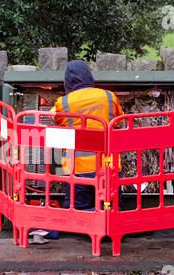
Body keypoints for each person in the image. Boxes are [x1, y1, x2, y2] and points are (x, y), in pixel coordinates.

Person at [43, 60, 124, 239]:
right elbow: (119, 120)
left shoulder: (63, 102)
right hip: (108, 170)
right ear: (89, 76)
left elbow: (53, 121)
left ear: (67, 81)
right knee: (111, 208)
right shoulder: (109, 96)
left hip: (79, 172)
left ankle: (85, 228)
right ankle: (107, 226)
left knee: (76, 211)